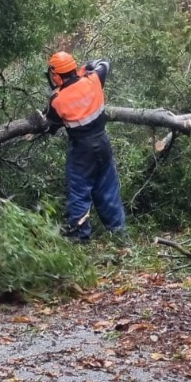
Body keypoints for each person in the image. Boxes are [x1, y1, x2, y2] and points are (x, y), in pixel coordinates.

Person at [44, 51, 126, 242]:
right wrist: (85, 70)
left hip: (82, 150)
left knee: (80, 192)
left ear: (56, 75)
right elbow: (104, 62)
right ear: (74, 68)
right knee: (108, 188)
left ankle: (80, 237)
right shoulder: (93, 80)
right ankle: (119, 234)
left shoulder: (57, 100)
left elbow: (51, 125)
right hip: (102, 143)